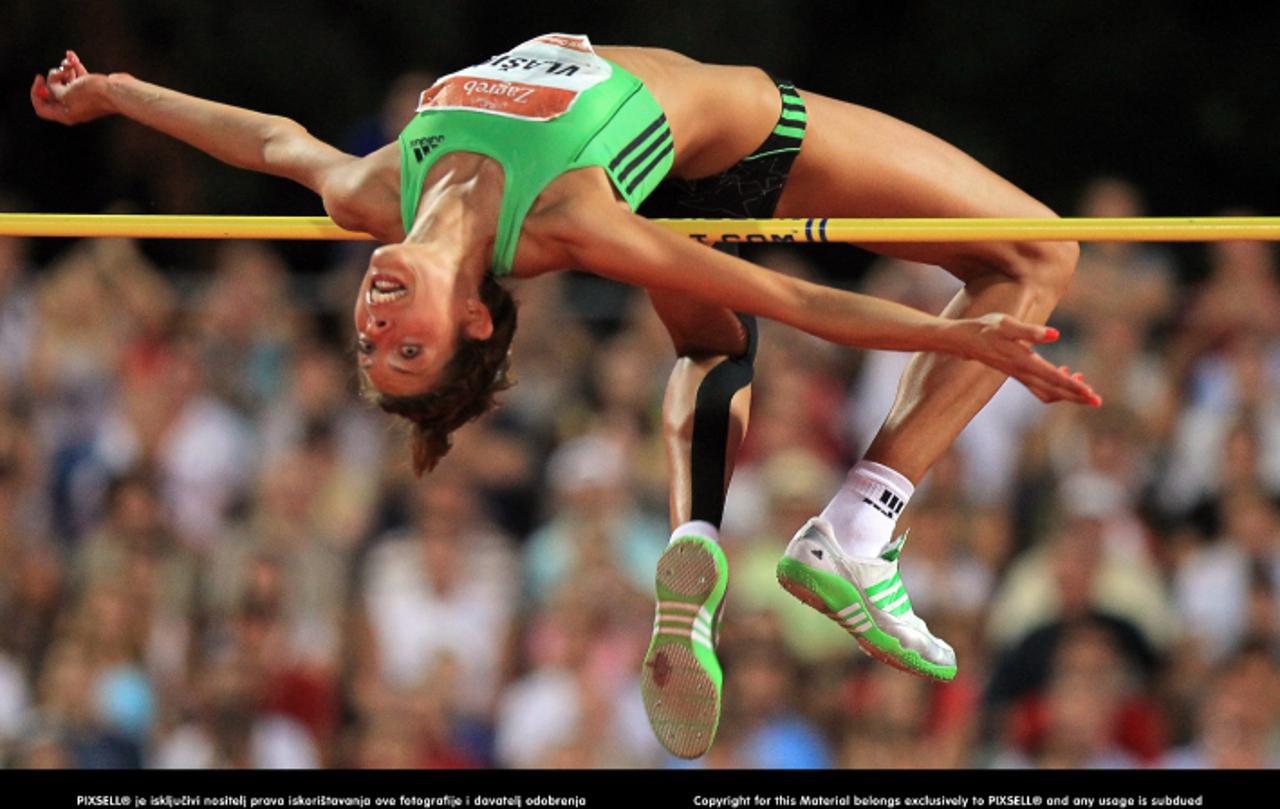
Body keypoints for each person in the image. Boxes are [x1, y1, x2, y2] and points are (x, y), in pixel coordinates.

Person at [32, 35, 1099, 760]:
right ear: (478, 319)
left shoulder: (374, 189)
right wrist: (956, 338)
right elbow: (791, 293)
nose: (372, 323)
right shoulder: (566, 218)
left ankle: (695, 533)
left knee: (714, 343)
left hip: (661, 186)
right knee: (1037, 252)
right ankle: (862, 527)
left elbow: (266, 139)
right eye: (404, 348)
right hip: (745, 142)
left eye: (368, 342)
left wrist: (116, 96)